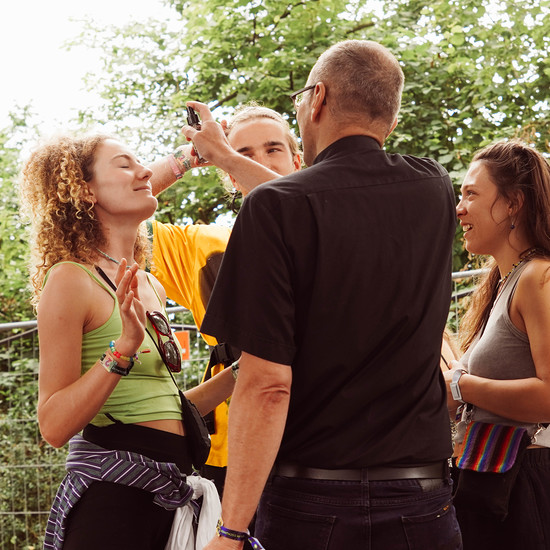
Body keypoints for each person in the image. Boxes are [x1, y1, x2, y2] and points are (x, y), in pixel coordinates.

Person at [185, 39, 461, 550]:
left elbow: (267, 385)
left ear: (317, 99)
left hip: (312, 507)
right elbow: (321, 200)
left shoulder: (274, 208)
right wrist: (225, 157)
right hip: (425, 501)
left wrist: (231, 530)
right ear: (391, 118)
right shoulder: (434, 186)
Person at [19, 133, 236, 550]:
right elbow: (54, 424)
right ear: (84, 190)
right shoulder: (70, 279)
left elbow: (164, 411)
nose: (142, 173)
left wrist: (244, 372)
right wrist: (123, 349)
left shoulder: (149, 283)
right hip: (112, 503)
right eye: (124, 164)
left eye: (142, 164)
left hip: (167, 500)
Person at [146, 105, 301, 495]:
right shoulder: (205, 244)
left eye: (272, 149)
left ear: (297, 160)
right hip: (232, 451)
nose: (260, 161)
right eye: (244, 154)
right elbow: (106, 217)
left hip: (322, 442)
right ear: (229, 174)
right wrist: (191, 157)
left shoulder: (337, 225)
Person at [445, 139, 550, 550]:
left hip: (524, 487)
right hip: (496, 485)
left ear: (512, 204)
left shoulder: (537, 278)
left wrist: (461, 385)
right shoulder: (507, 282)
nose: (459, 208)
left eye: (472, 193)